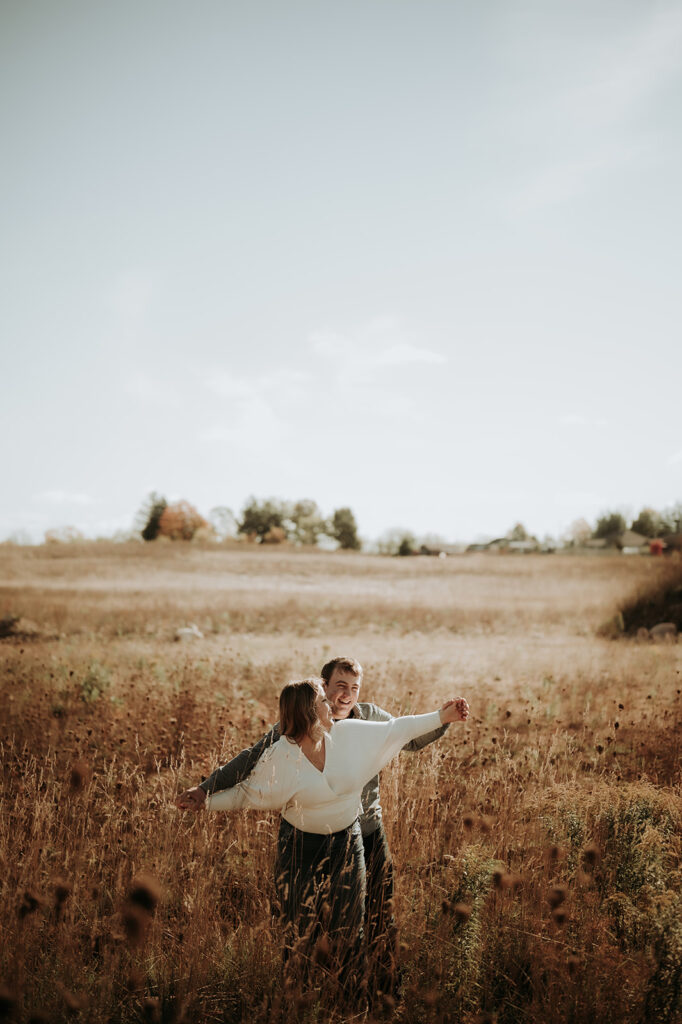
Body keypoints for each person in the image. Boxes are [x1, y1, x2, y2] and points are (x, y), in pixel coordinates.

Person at [179, 677, 469, 1003]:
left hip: (348, 844)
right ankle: (296, 1002)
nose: (331, 704)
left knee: (350, 929)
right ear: (307, 712)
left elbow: (397, 730)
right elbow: (245, 793)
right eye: (322, 700)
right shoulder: (280, 758)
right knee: (298, 930)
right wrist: (204, 801)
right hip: (301, 849)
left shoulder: (347, 734)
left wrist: (442, 717)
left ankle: (350, 1001)